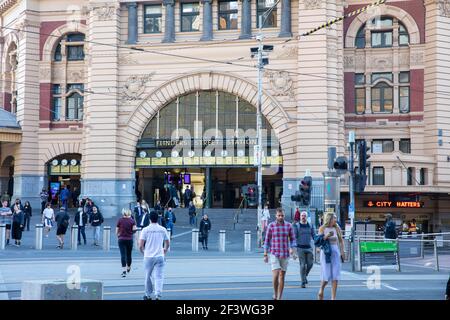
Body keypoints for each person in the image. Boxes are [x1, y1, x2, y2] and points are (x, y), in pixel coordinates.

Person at [263, 208, 296, 300]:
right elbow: (267, 241)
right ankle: (275, 293)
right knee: (276, 274)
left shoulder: (289, 226)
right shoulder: (271, 226)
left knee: (282, 276)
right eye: (279, 215)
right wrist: (265, 254)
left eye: (282, 215)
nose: (281, 217)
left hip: (285, 254)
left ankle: (279, 297)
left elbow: (293, 239)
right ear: (276, 215)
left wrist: (293, 250)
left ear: (284, 216)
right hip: (274, 253)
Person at [139, 211, 170, 300]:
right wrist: (164, 250)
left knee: (148, 275)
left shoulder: (145, 230)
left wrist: (143, 252)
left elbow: (141, 245)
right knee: (159, 276)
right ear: (158, 219)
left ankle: (148, 294)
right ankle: (158, 295)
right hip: (160, 255)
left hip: (148, 255)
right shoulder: (162, 229)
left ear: (149, 219)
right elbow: (167, 242)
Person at [316, 213, 345, 300]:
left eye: (336, 218)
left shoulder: (337, 228)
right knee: (326, 275)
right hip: (326, 252)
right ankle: (321, 289)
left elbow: (341, 240)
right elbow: (319, 241)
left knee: (335, 275)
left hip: (335, 252)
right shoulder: (322, 228)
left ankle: (333, 298)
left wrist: (342, 251)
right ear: (329, 219)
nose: (335, 220)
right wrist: (327, 236)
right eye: (334, 218)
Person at [293, 211, 315, 288]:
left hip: (308, 247)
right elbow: (294, 238)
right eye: (302, 215)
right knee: (302, 265)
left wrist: (318, 246)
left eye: (304, 215)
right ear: (300, 217)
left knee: (310, 264)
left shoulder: (310, 225)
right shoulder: (297, 226)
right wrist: (294, 252)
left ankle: (304, 276)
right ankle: (303, 282)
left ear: (307, 217)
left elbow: (314, 236)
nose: (303, 217)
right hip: (300, 248)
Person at [116, 208, 137, 278]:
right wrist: (130, 232)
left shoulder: (120, 220)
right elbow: (134, 230)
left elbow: (117, 231)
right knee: (129, 254)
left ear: (123, 213)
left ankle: (124, 270)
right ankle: (128, 267)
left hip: (121, 239)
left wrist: (118, 235)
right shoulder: (132, 221)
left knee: (123, 255)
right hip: (129, 239)